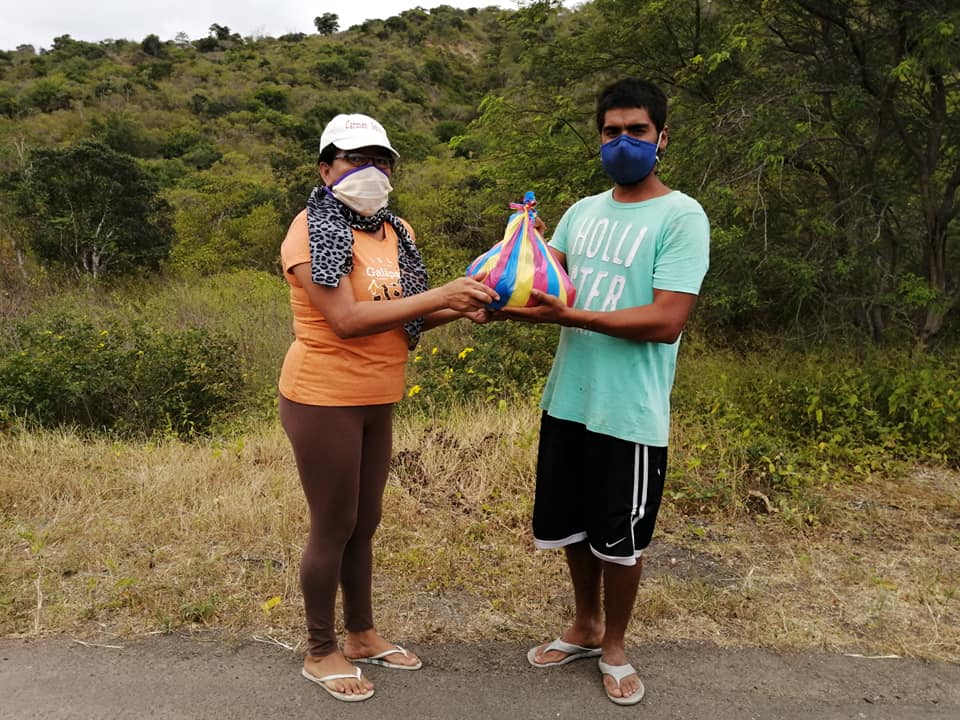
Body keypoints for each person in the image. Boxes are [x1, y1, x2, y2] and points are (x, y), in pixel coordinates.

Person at [501, 78, 710, 705]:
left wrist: (570, 316)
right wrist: (517, 255)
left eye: (637, 131)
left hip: (629, 410)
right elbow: (548, 283)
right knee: (572, 527)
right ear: (599, 137)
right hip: (570, 398)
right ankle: (585, 627)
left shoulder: (682, 216)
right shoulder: (582, 212)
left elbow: (667, 319)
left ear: (662, 137)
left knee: (621, 540)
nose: (623, 142)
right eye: (612, 131)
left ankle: (615, 646)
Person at [277, 113, 498, 703]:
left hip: (378, 393)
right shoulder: (310, 230)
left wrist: (465, 304)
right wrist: (442, 294)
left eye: (381, 159)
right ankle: (320, 650)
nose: (370, 169)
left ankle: (361, 634)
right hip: (323, 396)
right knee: (334, 525)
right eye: (355, 158)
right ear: (325, 169)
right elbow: (347, 320)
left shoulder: (396, 230)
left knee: (365, 521)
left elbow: (406, 312)